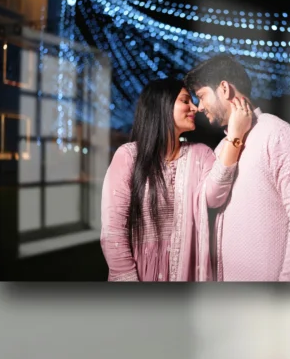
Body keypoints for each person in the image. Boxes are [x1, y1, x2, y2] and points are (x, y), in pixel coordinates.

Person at [185, 55, 290, 281]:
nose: (199, 108)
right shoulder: (222, 148)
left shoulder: (277, 133)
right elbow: (209, 198)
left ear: (224, 89)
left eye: (201, 96)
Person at [100, 78, 236, 281]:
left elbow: (215, 198)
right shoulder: (129, 156)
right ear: (161, 106)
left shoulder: (201, 155)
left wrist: (235, 135)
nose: (195, 108)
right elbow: (113, 231)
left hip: (188, 273)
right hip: (140, 273)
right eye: (185, 101)